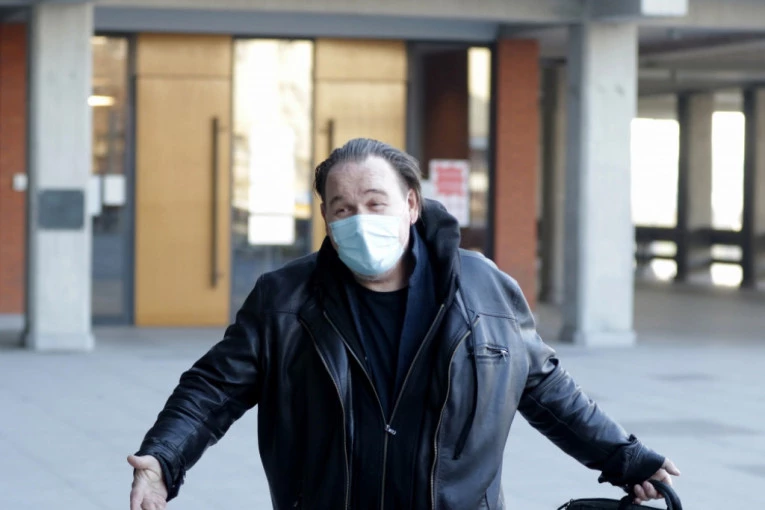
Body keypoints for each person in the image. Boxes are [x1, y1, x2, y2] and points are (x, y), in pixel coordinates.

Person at [129, 138, 679, 510]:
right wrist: (163, 459)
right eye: (343, 208)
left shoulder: (484, 289)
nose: (359, 219)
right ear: (326, 218)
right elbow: (213, 389)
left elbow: (544, 387)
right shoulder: (284, 299)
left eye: (376, 203)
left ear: (411, 205)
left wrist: (624, 457)